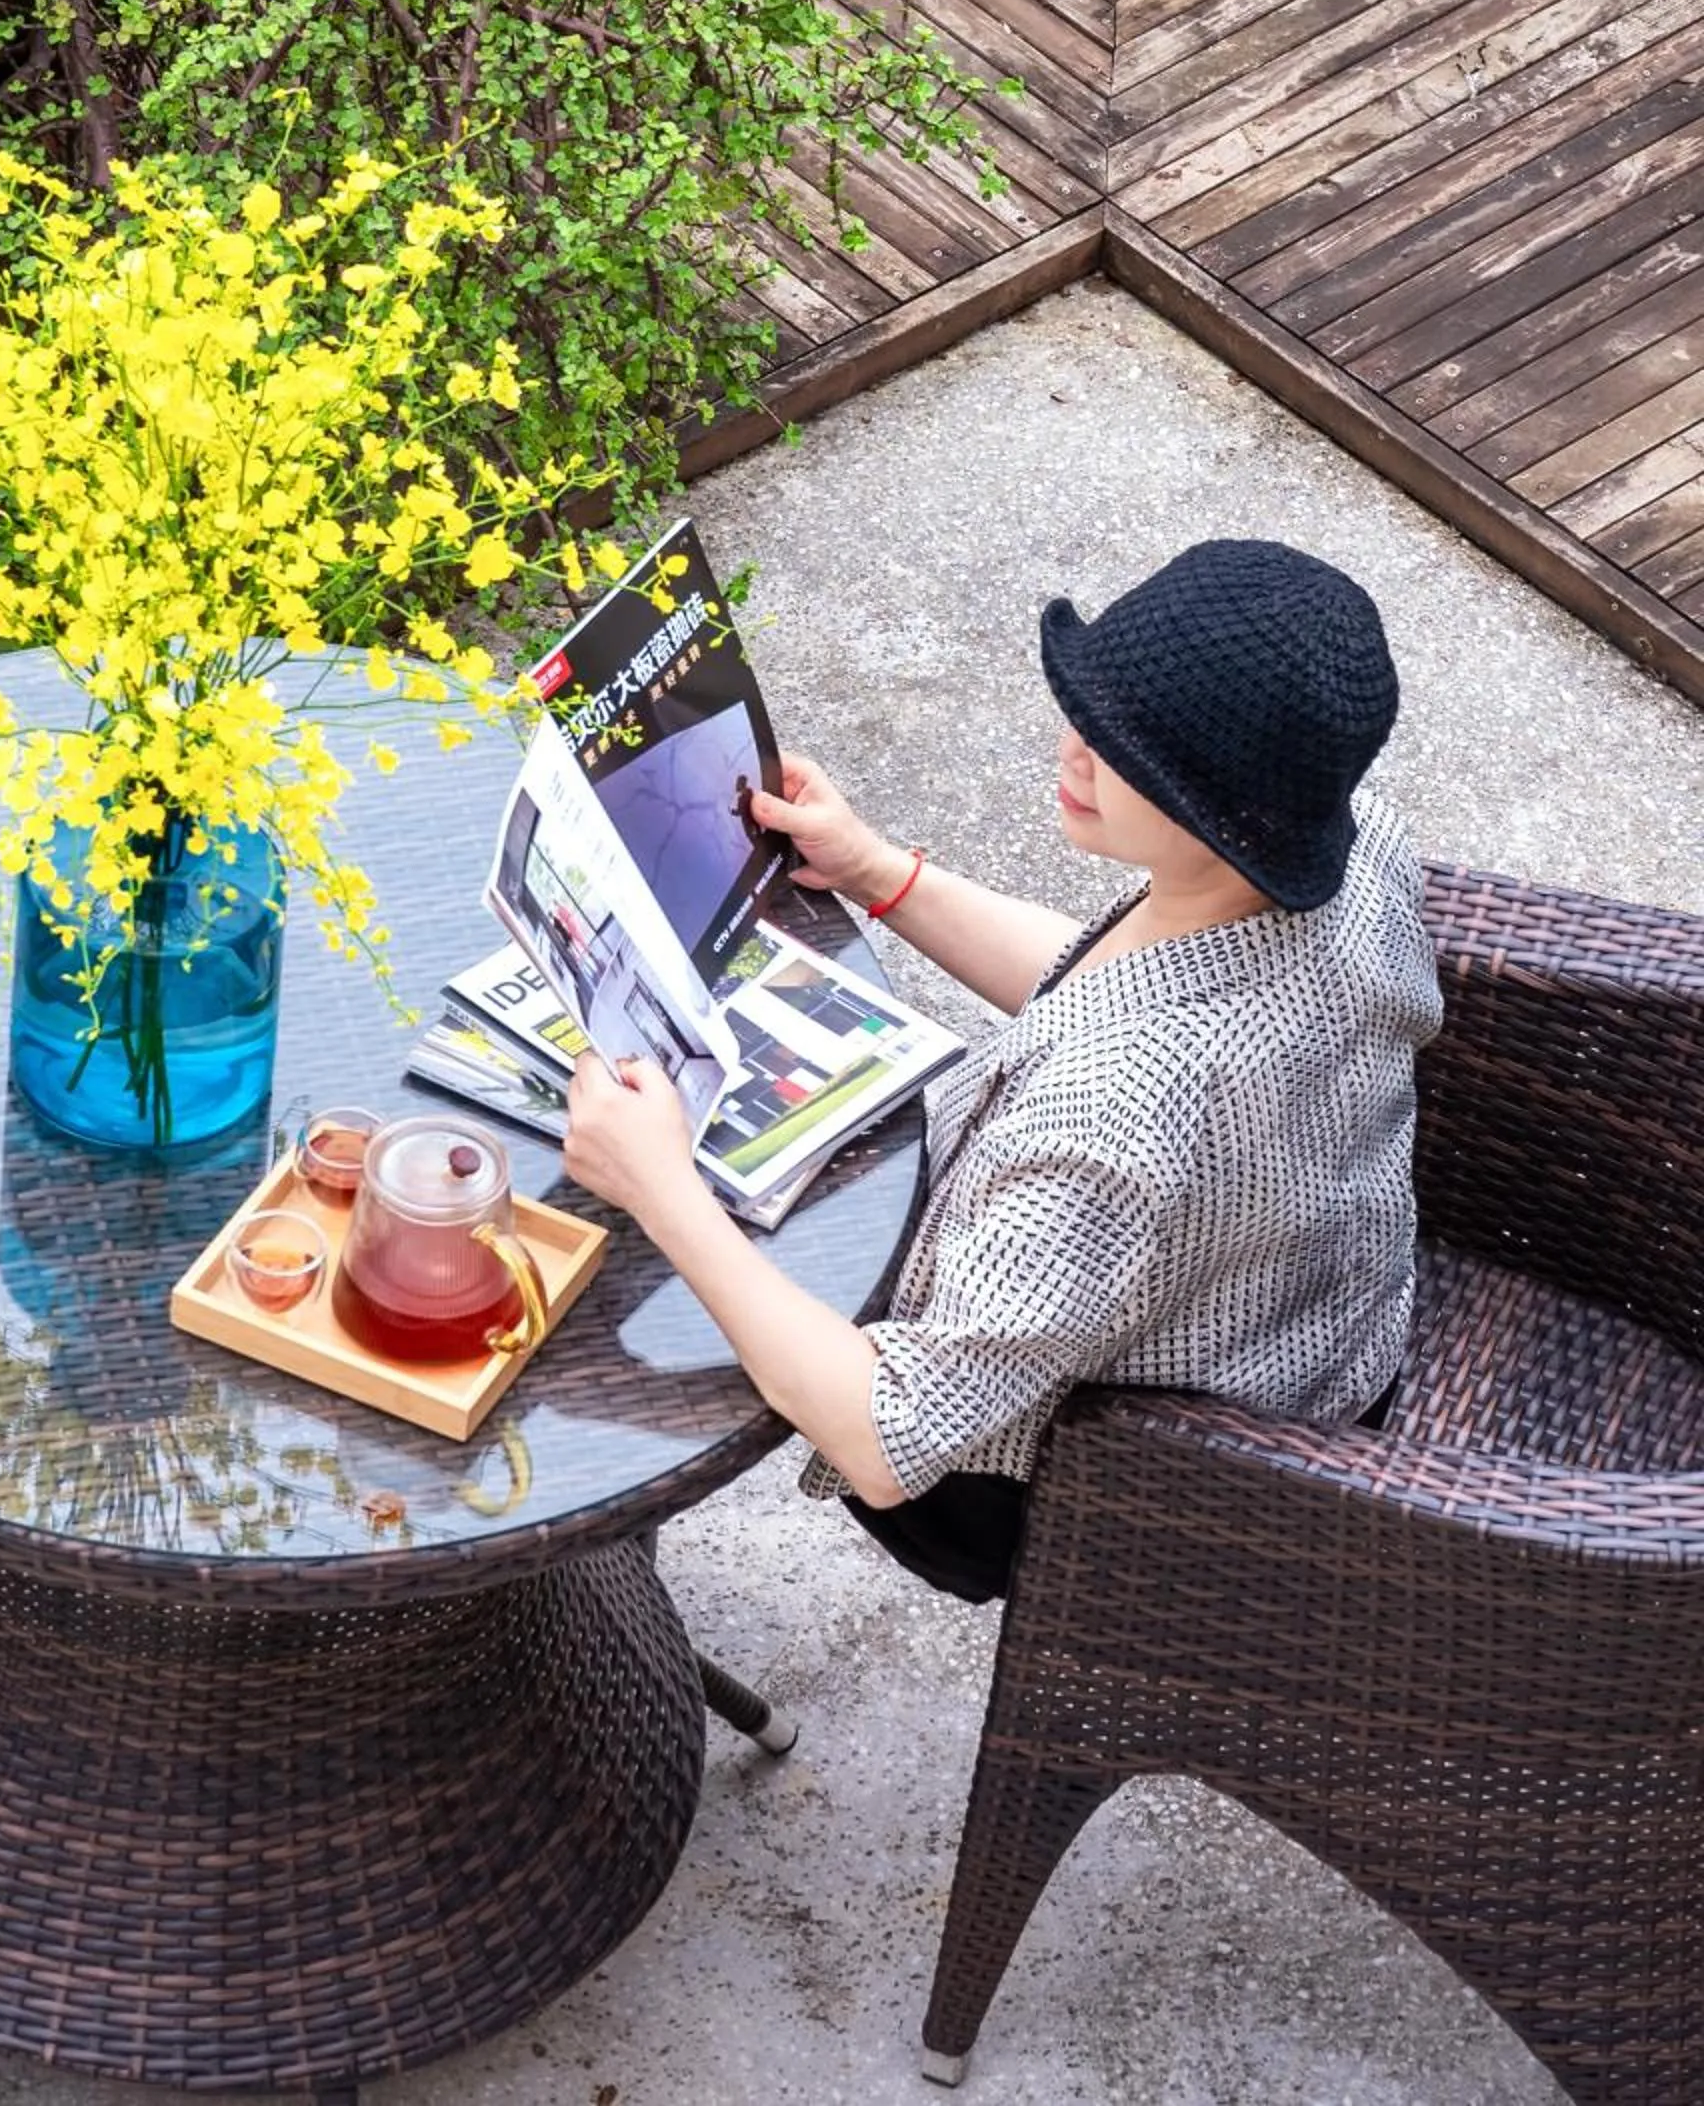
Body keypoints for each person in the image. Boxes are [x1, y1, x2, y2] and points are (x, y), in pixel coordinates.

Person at [562, 537, 1443, 1604]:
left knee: (645, 1237)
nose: (1073, 747)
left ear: (1223, 815)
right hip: (1312, 1330)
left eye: (1123, 748)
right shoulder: (1351, 854)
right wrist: (877, 872)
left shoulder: (1119, 1110)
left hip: (1075, 1488)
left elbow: (886, 1438)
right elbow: (1102, 986)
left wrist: (662, 1188)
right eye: (1089, 706)